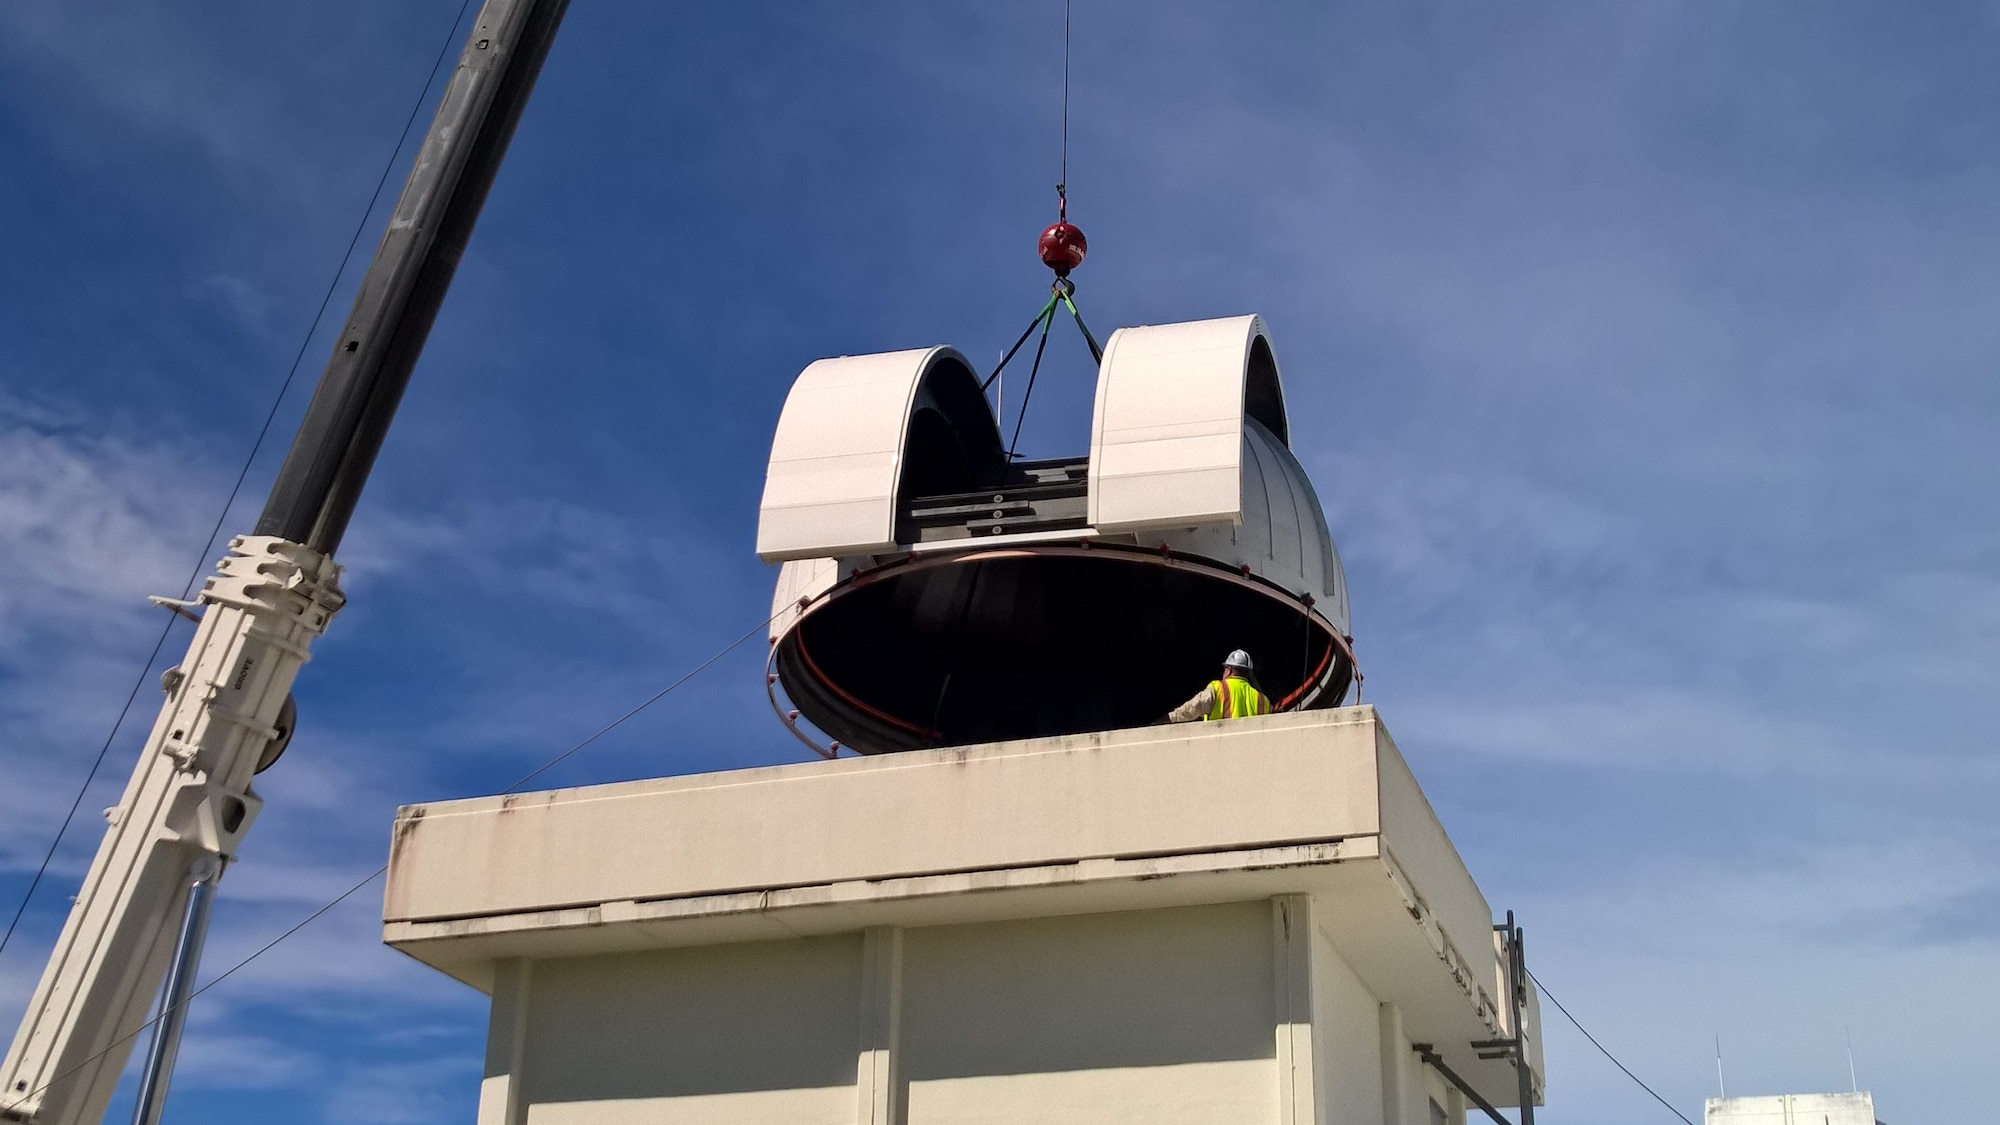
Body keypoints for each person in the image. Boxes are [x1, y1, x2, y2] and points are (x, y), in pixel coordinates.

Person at [1166, 649, 1272, 723]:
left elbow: (1191, 708)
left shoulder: (1218, 688)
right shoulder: (1262, 700)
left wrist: (1168, 719)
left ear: (1229, 670)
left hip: (1221, 748)